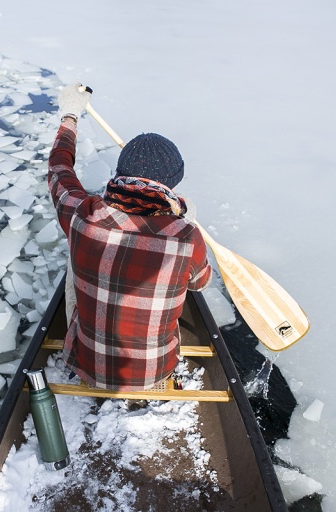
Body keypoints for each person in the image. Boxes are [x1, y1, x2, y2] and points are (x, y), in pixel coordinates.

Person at [48, 83, 213, 391]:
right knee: (178, 274)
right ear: (171, 184)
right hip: (155, 373)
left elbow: (59, 168)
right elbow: (201, 283)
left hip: (86, 365)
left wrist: (70, 116)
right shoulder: (187, 237)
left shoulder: (82, 214)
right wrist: (183, 219)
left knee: (75, 250)